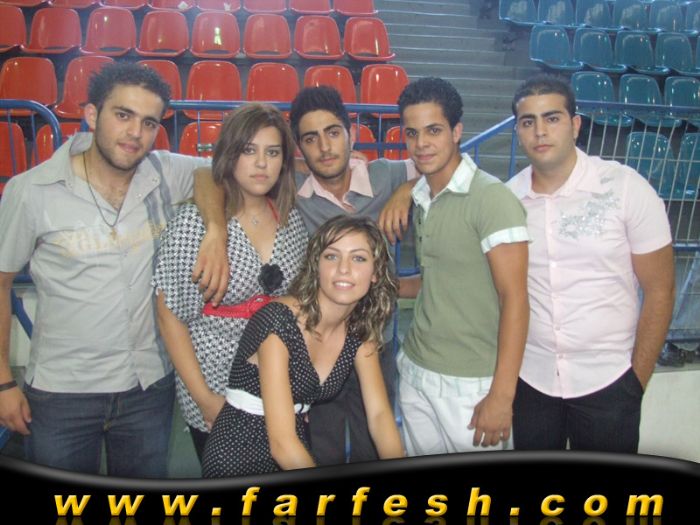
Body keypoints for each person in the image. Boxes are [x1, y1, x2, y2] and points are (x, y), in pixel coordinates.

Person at [0, 62, 226, 477]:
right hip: (62, 393)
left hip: (148, 389)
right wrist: (3, 382)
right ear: (91, 114)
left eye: (149, 122)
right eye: (123, 115)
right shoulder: (31, 191)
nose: (135, 132)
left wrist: (215, 230)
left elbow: (212, 173)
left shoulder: (163, 172)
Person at [507, 74, 675, 452]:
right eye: (528, 121)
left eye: (552, 118)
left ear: (576, 125)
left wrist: (634, 383)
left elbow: (660, 290)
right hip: (532, 381)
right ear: (518, 130)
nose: (540, 131)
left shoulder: (625, 188)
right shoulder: (507, 200)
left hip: (611, 383)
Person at [153, 104, 308, 464]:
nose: (261, 163)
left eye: (272, 152)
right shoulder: (194, 223)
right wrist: (205, 399)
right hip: (214, 385)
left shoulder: (291, 221)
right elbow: (169, 316)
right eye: (249, 150)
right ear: (230, 154)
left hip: (276, 385)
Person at [201, 216, 405, 477]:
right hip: (238, 454)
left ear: (375, 273)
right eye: (331, 256)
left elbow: (379, 415)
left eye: (358, 258)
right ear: (316, 266)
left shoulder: (359, 328)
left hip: (296, 443)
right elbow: (282, 444)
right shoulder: (278, 321)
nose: (343, 269)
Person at [395, 77, 530, 456]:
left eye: (434, 130)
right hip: (417, 368)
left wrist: (502, 395)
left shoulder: (492, 199)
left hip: (471, 385)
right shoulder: (423, 197)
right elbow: (440, 280)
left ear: (456, 131)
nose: (421, 144)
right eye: (412, 133)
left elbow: (515, 299)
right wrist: (383, 285)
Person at [288, 86, 417, 465]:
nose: (324, 147)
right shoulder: (292, 190)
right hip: (317, 346)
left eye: (333, 132)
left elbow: (447, 164)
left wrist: (407, 189)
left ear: (352, 134)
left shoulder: (386, 175)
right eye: (310, 139)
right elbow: (213, 172)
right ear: (300, 148)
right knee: (320, 449)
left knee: (372, 446)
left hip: (375, 340)